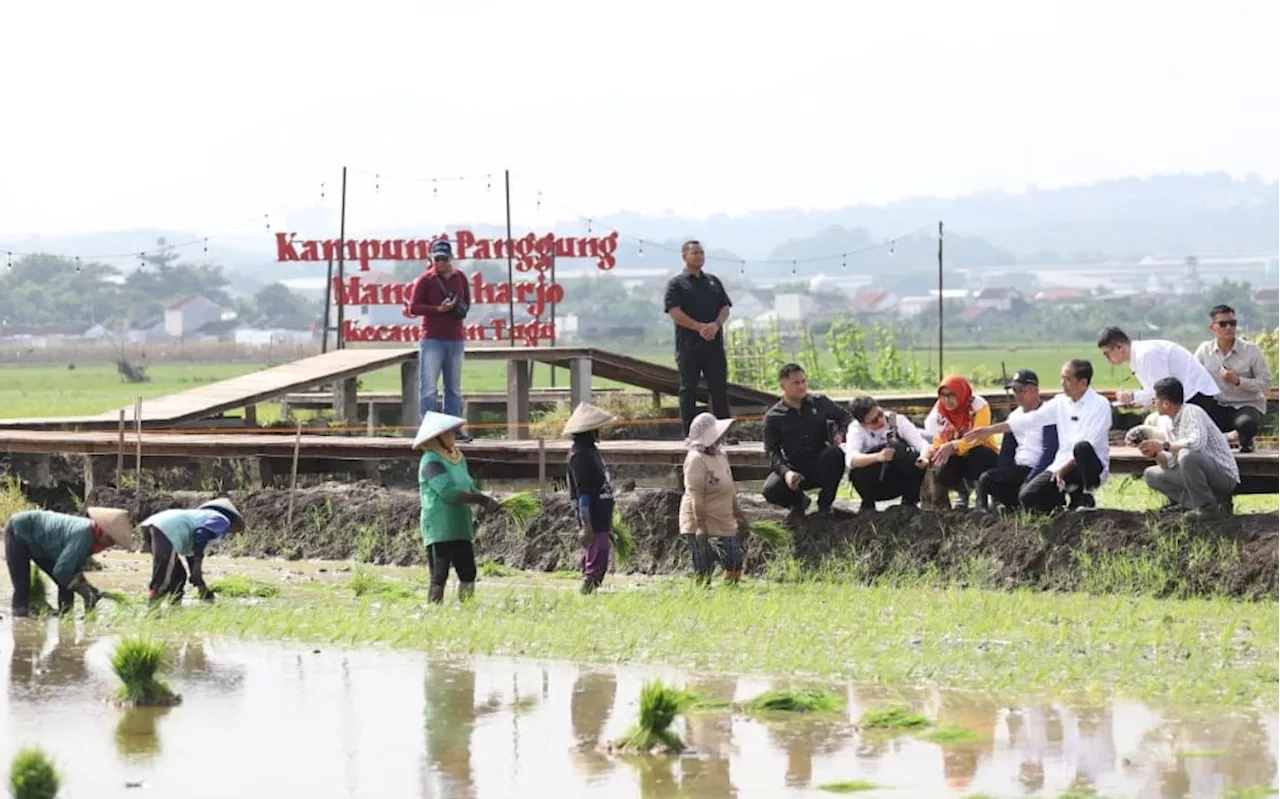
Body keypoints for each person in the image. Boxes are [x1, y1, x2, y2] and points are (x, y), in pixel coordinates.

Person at [965, 359, 1112, 512]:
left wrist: (1062, 471)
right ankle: (1059, 508)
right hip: (1060, 463)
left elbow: (1090, 444)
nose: (1062, 383)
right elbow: (1030, 420)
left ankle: (1086, 495)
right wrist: (989, 430)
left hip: (1088, 465)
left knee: (1082, 447)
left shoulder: (1100, 404)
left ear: (1083, 383)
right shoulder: (1060, 402)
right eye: (1061, 378)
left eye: (1068, 379)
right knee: (1027, 497)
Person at [415, 410, 499, 603]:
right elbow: (449, 493)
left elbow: (468, 484)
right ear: (438, 437)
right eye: (449, 433)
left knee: (468, 571)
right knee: (439, 574)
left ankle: (466, 609)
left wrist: (485, 497)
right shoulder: (431, 461)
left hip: (460, 524)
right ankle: (434, 611)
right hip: (440, 526)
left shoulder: (457, 457)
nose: (453, 436)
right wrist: (480, 500)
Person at [4, 506, 133, 617]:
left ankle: (65, 616)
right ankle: (19, 619)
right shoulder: (84, 535)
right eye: (110, 541)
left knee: (66, 585)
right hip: (18, 531)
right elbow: (61, 571)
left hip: (42, 545)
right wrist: (84, 591)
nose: (109, 545)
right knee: (22, 587)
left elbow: (71, 569)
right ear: (104, 533)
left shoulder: (92, 537)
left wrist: (90, 588)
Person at [761, 363, 852, 519]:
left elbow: (845, 416)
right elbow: (771, 452)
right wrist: (786, 473)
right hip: (795, 468)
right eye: (796, 383)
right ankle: (799, 502)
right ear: (783, 386)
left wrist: (840, 433)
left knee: (835, 454)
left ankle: (825, 504)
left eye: (804, 381)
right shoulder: (773, 417)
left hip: (820, 462)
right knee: (770, 489)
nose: (801, 386)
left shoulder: (819, 402)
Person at [1138, 377, 1239, 515]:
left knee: (1187, 455)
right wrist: (1155, 453)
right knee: (1151, 475)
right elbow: (1171, 462)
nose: (1153, 403)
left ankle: (1207, 508)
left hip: (1223, 475)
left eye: (1155, 399)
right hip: (1196, 473)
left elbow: (1195, 444)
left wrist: (1164, 445)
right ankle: (1196, 505)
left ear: (1166, 403)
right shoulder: (1168, 422)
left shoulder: (1192, 412)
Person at [663, 239, 733, 436]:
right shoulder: (676, 284)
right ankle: (690, 434)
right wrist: (699, 327)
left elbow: (725, 307)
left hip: (714, 345)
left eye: (701, 253)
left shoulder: (713, 281)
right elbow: (674, 312)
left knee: (718, 388)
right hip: (689, 346)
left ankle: (722, 433)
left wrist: (715, 325)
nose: (699, 256)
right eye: (695, 253)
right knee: (689, 389)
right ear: (684, 257)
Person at [408, 238, 473, 441]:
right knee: (428, 387)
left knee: (453, 388)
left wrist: (455, 307)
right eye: (437, 259)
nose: (440, 263)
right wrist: (438, 309)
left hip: (455, 337)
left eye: (444, 258)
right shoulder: (425, 280)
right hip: (432, 339)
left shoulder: (460, 277)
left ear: (451, 258)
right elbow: (413, 307)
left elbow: (467, 302)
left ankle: (452, 429)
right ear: (431, 259)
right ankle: (429, 430)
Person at [680, 412, 750, 585]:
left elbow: (729, 488)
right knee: (704, 568)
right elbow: (696, 495)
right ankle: (703, 597)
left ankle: (729, 595)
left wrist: (739, 514)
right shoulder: (696, 459)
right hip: (700, 520)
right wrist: (702, 527)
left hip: (724, 519)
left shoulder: (721, 455)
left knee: (734, 564)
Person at [974, 369, 1058, 511]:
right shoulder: (1014, 417)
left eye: (1022, 391)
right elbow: (1007, 451)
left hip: (1041, 469)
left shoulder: (1048, 414)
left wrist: (1031, 479)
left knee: (1037, 492)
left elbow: (1050, 451)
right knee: (986, 479)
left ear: (1035, 390)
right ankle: (984, 512)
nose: (1018, 396)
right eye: (1015, 391)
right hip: (1019, 468)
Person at [1193, 304, 1272, 453]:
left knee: (1246, 423)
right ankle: (1202, 445)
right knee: (1193, 408)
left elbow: (1266, 384)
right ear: (1212, 327)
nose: (1229, 327)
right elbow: (1192, 377)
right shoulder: (1204, 350)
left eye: (1232, 323)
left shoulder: (1251, 350)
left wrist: (1238, 381)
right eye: (1223, 324)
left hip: (1246, 405)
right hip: (1218, 405)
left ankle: (1245, 443)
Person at [1097, 326, 1221, 416]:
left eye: (1107, 354)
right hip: (1186, 396)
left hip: (1194, 396)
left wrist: (1132, 396)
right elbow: (1156, 392)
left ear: (1119, 347)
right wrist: (1135, 399)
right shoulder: (1140, 355)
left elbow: (1162, 392)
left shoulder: (1145, 355)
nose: (1107, 359)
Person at [142, 498, 245, 604]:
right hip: (167, 529)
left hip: (154, 524)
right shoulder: (222, 520)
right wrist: (197, 566)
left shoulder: (201, 517)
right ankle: (152, 611)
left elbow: (191, 553)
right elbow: (200, 535)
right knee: (163, 578)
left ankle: (175, 610)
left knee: (178, 577)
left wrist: (200, 584)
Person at [923, 376, 1000, 509]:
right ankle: (962, 492)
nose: (947, 400)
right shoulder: (938, 414)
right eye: (943, 396)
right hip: (957, 458)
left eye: (952, 395)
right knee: (940, 465)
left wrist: (954, 445)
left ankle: (982, 498)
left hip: (982, 453)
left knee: (978, 454)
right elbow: (937, 441)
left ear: (961, 393)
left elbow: (979, 436)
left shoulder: (978, 406)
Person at [564, 402, 616, 595]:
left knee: (599, 555)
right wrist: (587, 525)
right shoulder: (580, 456)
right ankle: (585, 594)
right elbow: (582, 492)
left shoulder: (590, 450)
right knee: (596, 558)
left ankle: (588, 593)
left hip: (601, 514)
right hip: (592, 516)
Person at [845, 395, 931, 511]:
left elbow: (922, 444)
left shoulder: (896, 420)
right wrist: (877, 457)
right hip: (874, 482)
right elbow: (851, 459)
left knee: (912, 455)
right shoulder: (856, 429)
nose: (881, 421)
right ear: (863, 424)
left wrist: (924, 458)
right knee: (858, 470)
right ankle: (868, 503)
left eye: (880, 414)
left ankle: (909, 501)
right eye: (874, 421)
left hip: (900, 477)